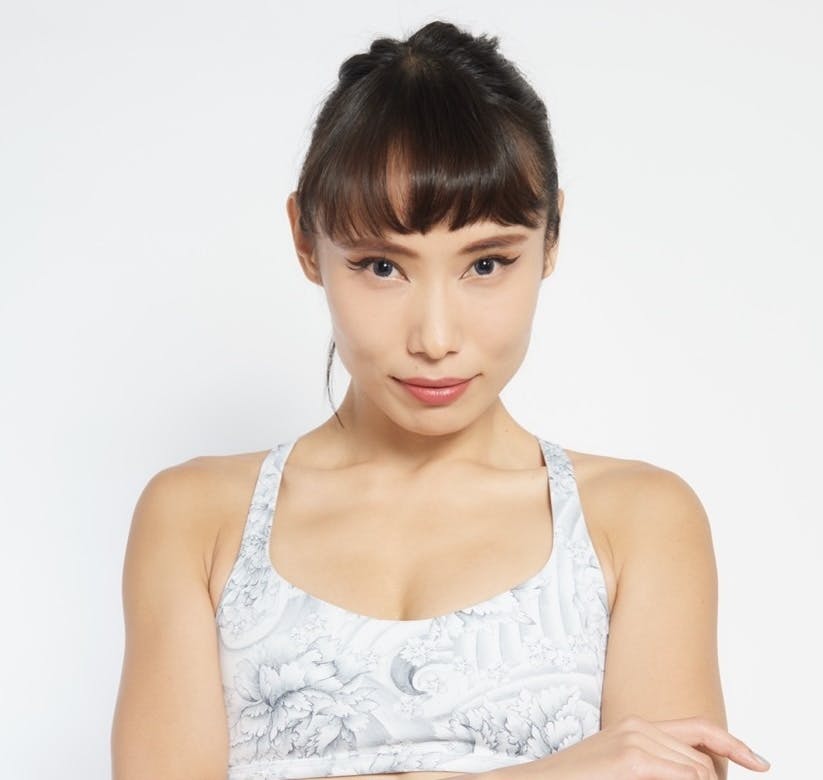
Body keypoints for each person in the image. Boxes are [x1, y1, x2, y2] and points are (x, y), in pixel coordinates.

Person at [111, 19, 771, 780]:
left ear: (551, 238)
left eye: (486, 263)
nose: (434, 337)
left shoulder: (636, 522)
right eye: (381, 266)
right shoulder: (197, 518)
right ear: (306, 241)